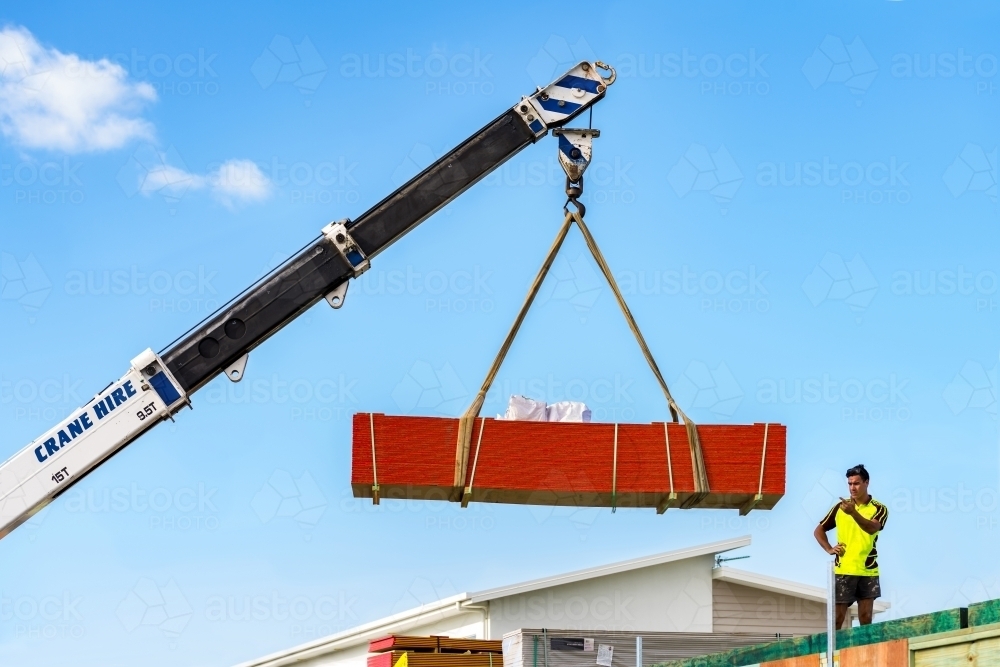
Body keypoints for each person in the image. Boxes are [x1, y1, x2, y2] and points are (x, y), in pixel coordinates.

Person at [813, 464, 888, 629]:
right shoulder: (840, 507)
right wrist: (828, 548)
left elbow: (871, 528)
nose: (852, 487)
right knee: (837, 619)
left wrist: (853, 512)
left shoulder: (880, 508)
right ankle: (834, 653)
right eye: (850, 483)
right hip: (844, 570)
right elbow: (819, 529)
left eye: (856, 483)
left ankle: (865, 651)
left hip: (868, 569)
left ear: (867, 483)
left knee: (866, 619)